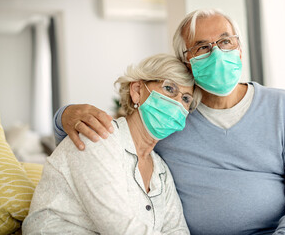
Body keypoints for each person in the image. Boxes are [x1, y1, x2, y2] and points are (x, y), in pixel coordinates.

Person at [53, 9, 285, 235]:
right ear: (187, 61)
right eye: (202, 47)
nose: (216, 53)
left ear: (239, 49)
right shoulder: (174, 119)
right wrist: (63, 116)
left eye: (225, 41)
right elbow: (106, 144)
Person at [23, 54, 201, 234]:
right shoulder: (98, 136)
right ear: (137, 90)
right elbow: (121, 229)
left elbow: (177, 229)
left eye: (186, 99)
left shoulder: (161, 170)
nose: (177, 102)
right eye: (169, 88)